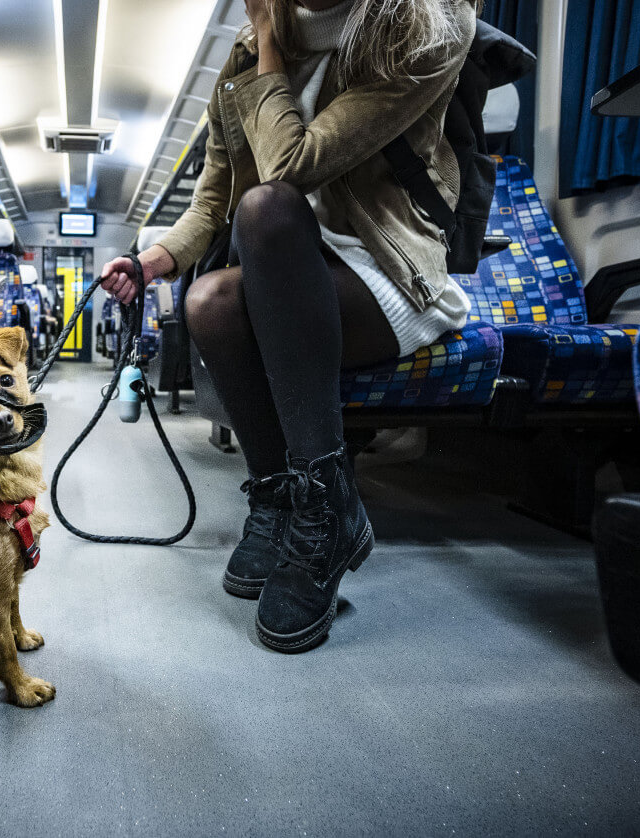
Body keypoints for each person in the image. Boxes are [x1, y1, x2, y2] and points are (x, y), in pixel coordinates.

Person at [101, 0, 477, 653]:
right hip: (284, 282)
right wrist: (152, 260)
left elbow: (288, 170)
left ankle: (326, 504)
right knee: (209, 301)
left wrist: (271, 50)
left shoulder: (421, 24)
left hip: (383, 276)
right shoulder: (243, 55)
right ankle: (277, 498)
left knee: (269, 209)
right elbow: (212, 203)